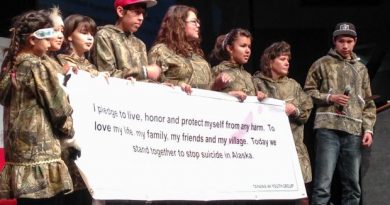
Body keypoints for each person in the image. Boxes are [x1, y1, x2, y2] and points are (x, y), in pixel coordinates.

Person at [0, 10, 75, 205]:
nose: (51, 39)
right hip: (41, 159)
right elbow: (59, 109)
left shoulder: (13, 67)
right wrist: (70, 131)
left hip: (19, 158)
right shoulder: (38, 67)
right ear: (33, 40)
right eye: (47, 34)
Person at [304, 22, 376, 205]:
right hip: (328, 129)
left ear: (355, 42)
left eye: (349, 41)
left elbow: (368, 102)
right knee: (322, 185)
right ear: (334, 41)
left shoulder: (361, 69)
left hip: (353, 130)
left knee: (353, 186)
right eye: (341, 41)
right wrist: (330, 98)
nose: (345, 45)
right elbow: (307, 93)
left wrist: (368, 129)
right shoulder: (322, 64)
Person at [253, 41, 312, 205]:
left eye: (288, 60)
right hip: (268, 152)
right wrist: (255, 99)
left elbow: (306, 111)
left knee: (301, 198)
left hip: (295, 151)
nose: (287, 63)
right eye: (282, 59)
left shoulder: (293, 85)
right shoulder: (256, 82)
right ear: (270, 61)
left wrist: (295, 110)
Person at [56, 13, 107, 205]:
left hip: (92, 140)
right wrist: (66, 75)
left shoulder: (92, 67)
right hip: (69, 142)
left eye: (92, 33)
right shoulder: (60, 62)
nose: (89, 37)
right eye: (84, 32)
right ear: (69, 35)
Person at [148, 5, 214, 93]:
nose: (198, 25)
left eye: (198, 21)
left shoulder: (198, 56)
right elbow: (151, 83)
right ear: (179, 24)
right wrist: (178, 85)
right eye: (194, 21)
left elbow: (209, 88)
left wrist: (225, 91)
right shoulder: (160, 51)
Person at [92, 0, 160, 81]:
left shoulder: (140, 44)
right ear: (120, 12)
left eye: (143, 13)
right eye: (137, 12)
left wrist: (160, 87)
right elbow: (107, 74)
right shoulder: (104, 36)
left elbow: (143, 81)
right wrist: (144, 72)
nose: (141, 18)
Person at [208, 28, 265, 102]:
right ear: (230, 48)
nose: (248, 50)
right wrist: (227, 94)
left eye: (249, 47)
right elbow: (206, 97)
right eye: (243, 46)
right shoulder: (218, 70)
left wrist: (259, 95)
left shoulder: (248, 76)